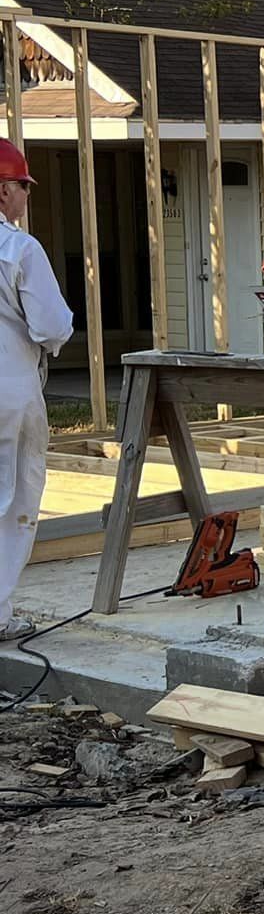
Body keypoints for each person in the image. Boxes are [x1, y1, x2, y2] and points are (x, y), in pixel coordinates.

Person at [0, 139, 73, 643]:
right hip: (10, 387)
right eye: (24, 186)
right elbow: (52, 325)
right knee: (14, 500)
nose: (27, 196)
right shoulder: (19, 249)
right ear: (4, 191)